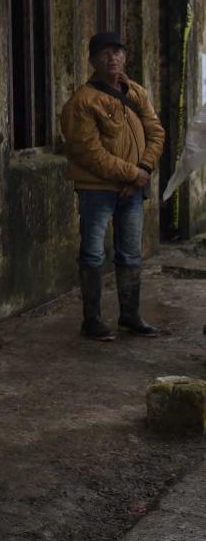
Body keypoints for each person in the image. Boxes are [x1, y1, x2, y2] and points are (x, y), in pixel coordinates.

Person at [60, 31, 165, 341]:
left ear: (125, 57)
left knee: (131, 255)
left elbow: (156, 133)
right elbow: (89, 153)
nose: (113, 58)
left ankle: (130, 316)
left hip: (132, 189)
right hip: (97, 189)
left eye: (118, 52)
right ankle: (92, 320)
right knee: (92, 254)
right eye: (105, 53)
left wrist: (143, 169)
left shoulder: (137, 93)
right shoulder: (83, 101)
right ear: (93, 60)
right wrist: (133, 174)